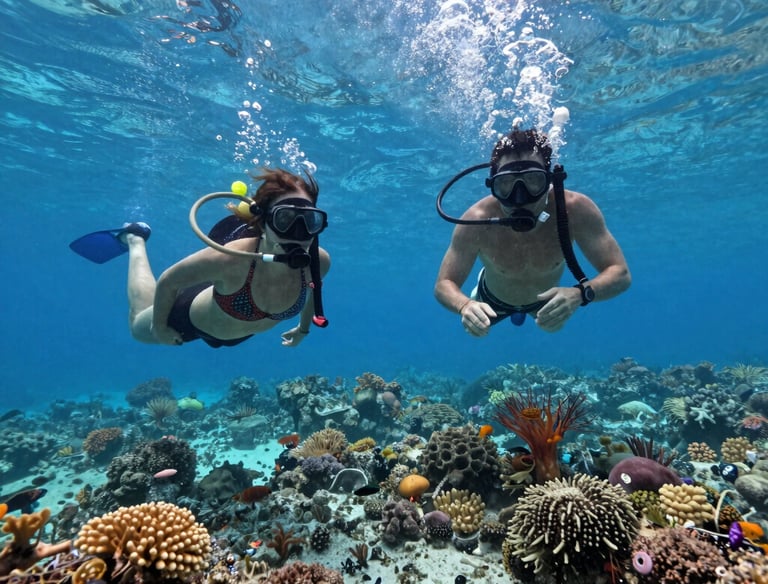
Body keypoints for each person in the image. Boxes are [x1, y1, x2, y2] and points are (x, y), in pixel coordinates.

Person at [434, 128, 630, 335]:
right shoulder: (476, 219)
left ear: (550, 180)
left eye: (534, 181)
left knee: (551, 330)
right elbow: (443, 284)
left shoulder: (574, 210)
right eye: (506, 184)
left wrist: (578, 294)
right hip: (491, 300)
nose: (520, 198)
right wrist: (465, 306)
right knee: (480, 326)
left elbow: (621, 274)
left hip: (545, 305)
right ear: (493, 185)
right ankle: (483, 288)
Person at [123, 168, 331, 347]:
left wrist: (303, 330)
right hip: (189, 321)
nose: (298, 233)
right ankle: (135, 239)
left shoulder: (318, 262)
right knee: (137, 325)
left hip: (235, 333)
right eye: (284, 219)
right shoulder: (231, 259)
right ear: (263, 222)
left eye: (310, 221)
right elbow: (169, 280)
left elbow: (313, 290)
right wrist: (159, 327)